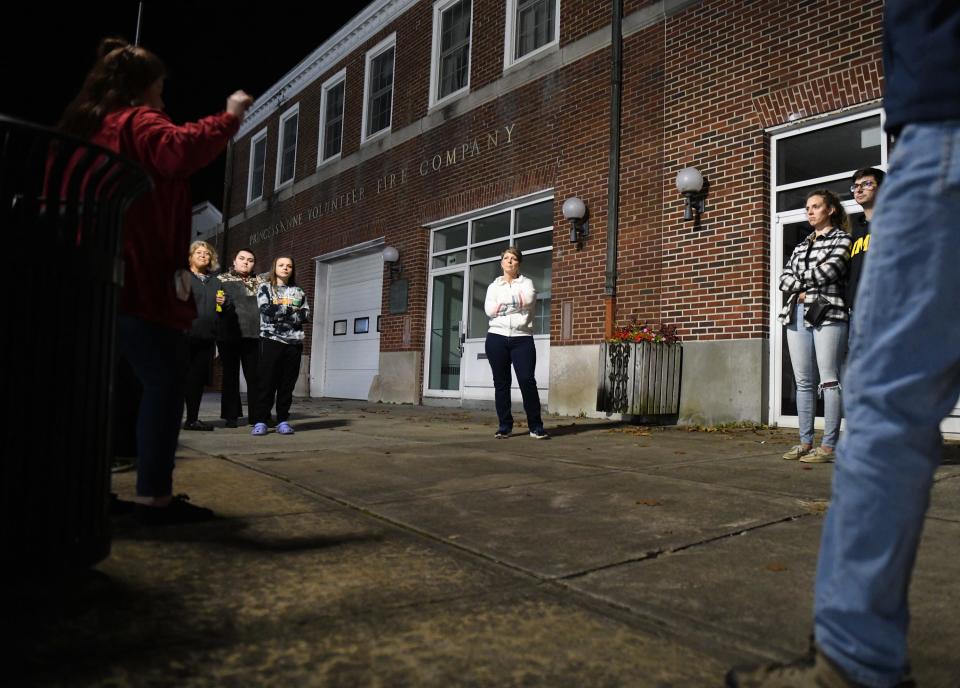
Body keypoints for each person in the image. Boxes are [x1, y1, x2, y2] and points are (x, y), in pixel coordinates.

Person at [727, 2, 960, 686]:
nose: (825, 206)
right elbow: (792, 271)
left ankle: (854, 662)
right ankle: (808, 436)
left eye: (846, 194)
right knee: (833, 389)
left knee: (878, 405)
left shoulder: (841, 235)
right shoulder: (808, 240)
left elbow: (821, 270)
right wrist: (792, 287)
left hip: (947, 125)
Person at [57, 37, 252, 525]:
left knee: (96, 389)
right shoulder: (136, 121)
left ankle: (79, 492)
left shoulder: (92, 129)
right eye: (160, 88)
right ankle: (153, 498)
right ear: (141, 88)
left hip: (91, 274)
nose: (164, 99)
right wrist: (229, 116)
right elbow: (180, 150)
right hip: (135, 277)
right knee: (163, 381)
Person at [777, 189, 851, 464]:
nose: (809, 211)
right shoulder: (800, 245)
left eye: (816, 206)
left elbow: (830, 271)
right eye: (807, 207)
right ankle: (805, 442)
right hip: (795, 312)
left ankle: (829, 445)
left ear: (830, 210)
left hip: (828, 312)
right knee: (803, 382)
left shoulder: (842, 239)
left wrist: (801, 281)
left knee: (829, 380)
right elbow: (784, 280)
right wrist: (805, 283)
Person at [483, 246, 548, 439]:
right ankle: (505, 426)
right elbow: (489, 311)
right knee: (501, 383)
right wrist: (516, 305)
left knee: (527, 381)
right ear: (501, 262)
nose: (510, 261)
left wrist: (501, 306)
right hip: (496, 338)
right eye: (507, 258)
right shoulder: (493, 287)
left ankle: (535, 426)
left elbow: (528, 298)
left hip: (522, 339)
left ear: (518, 263)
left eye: (514, 258)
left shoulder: (527, 282)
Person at [251, 256, 310, 437]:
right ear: (274, 267)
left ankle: (283, 420)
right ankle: (261, 421)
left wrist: (281, 312)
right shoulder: (265, 288)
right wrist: (291, 309)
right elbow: (266, 312)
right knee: (267, 382)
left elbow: (305, 315)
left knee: (287, 385)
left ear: (292, 270)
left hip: (294, 343)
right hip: (271, 340)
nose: (285, 268)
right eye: (281, 265)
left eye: (289, 266)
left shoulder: (298, 291)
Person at [217, 248, 262, 428]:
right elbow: (217, 308)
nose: (246, 262)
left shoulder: (260, 282)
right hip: (229, 335)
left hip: (253, 335)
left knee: (255, 377)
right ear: (234, 261)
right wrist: (218, 305)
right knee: (230, 376)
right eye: (242, 259)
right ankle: (231, 416)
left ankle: (258, 416)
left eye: (250, 260)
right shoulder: (222, 280)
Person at [182, 240, 224, 431]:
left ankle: (192, 420)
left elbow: (222, 310)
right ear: (190, 256)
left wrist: (223, 303)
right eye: (198, 252)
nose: (203, 256)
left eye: (207, 254)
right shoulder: (183, 276)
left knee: (197, 381)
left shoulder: (216, 281)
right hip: (183, 336)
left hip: (206, 337)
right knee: (177, 379)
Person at [845, 167, 885, 323]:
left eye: (866, 184)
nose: (859, 189)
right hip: (857, 311)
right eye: (855, 186)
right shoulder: (853, 228)